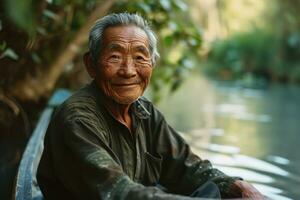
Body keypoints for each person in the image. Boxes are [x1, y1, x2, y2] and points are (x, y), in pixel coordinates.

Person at [37, 13, 265, 200]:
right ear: (91, 65)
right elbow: (118, 192)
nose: (128, 70)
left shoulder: (144, 112)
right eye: (115, 57)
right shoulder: (77, 118)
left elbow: (187, 166)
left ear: (152, 64)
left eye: (140, 57)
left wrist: (239, 187)